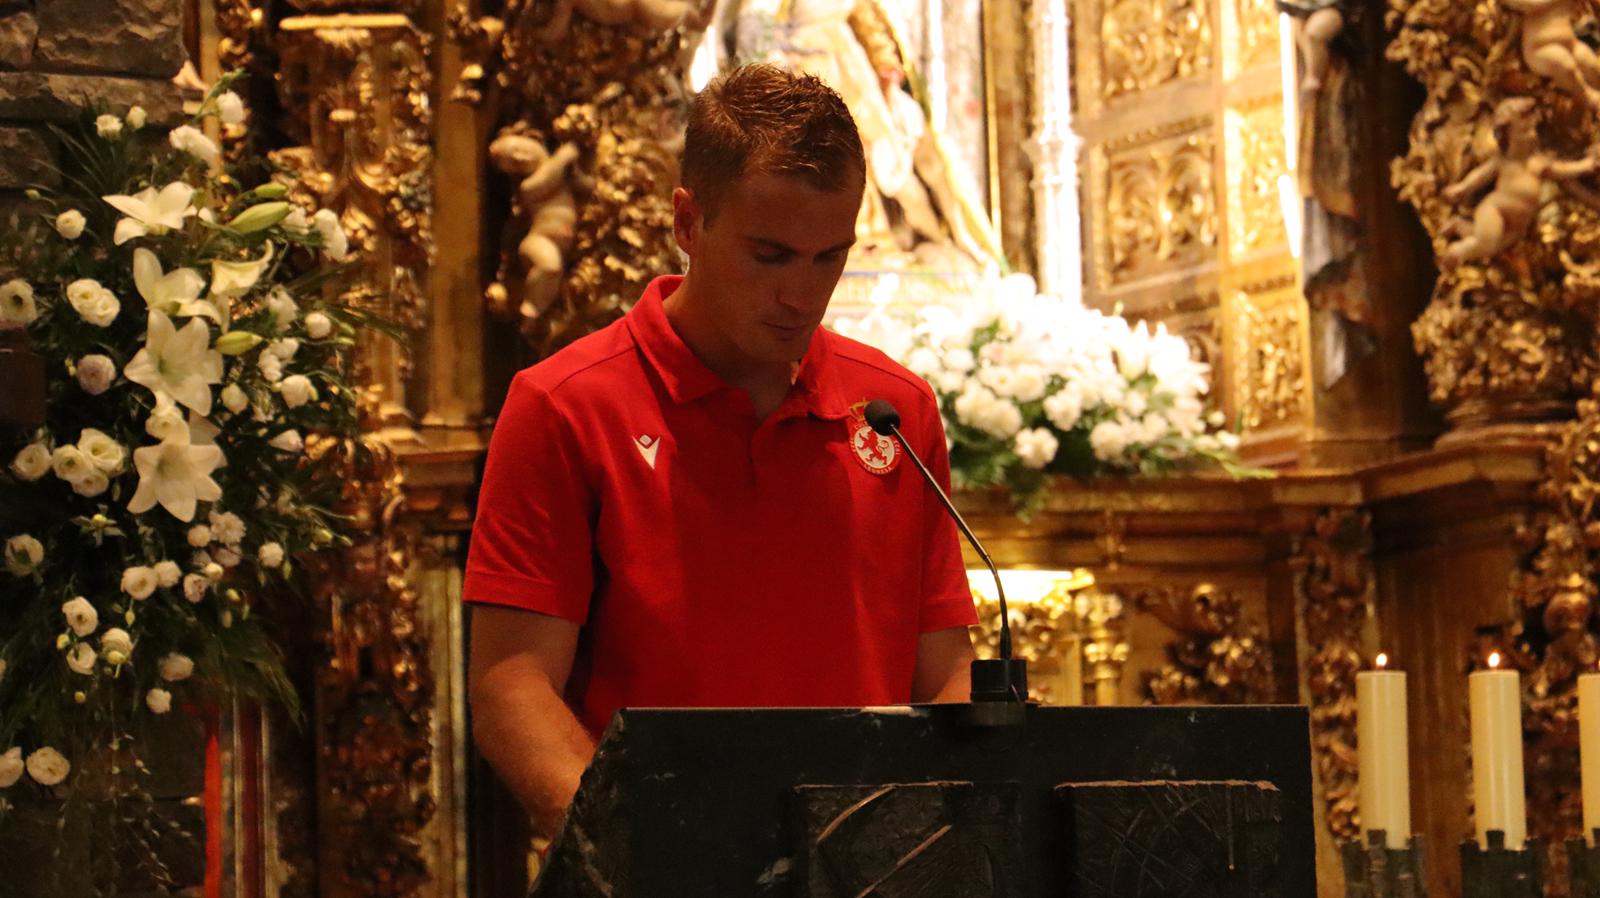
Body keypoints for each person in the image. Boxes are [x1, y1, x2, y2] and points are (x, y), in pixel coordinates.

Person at [463, 63, 978, 838]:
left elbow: (946, 672)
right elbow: (513, 686)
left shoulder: (895, 411)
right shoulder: (566, 405)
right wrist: (635, 858)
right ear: (686, 221)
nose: (801, 295)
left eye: (827, 257)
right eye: (769, 256)